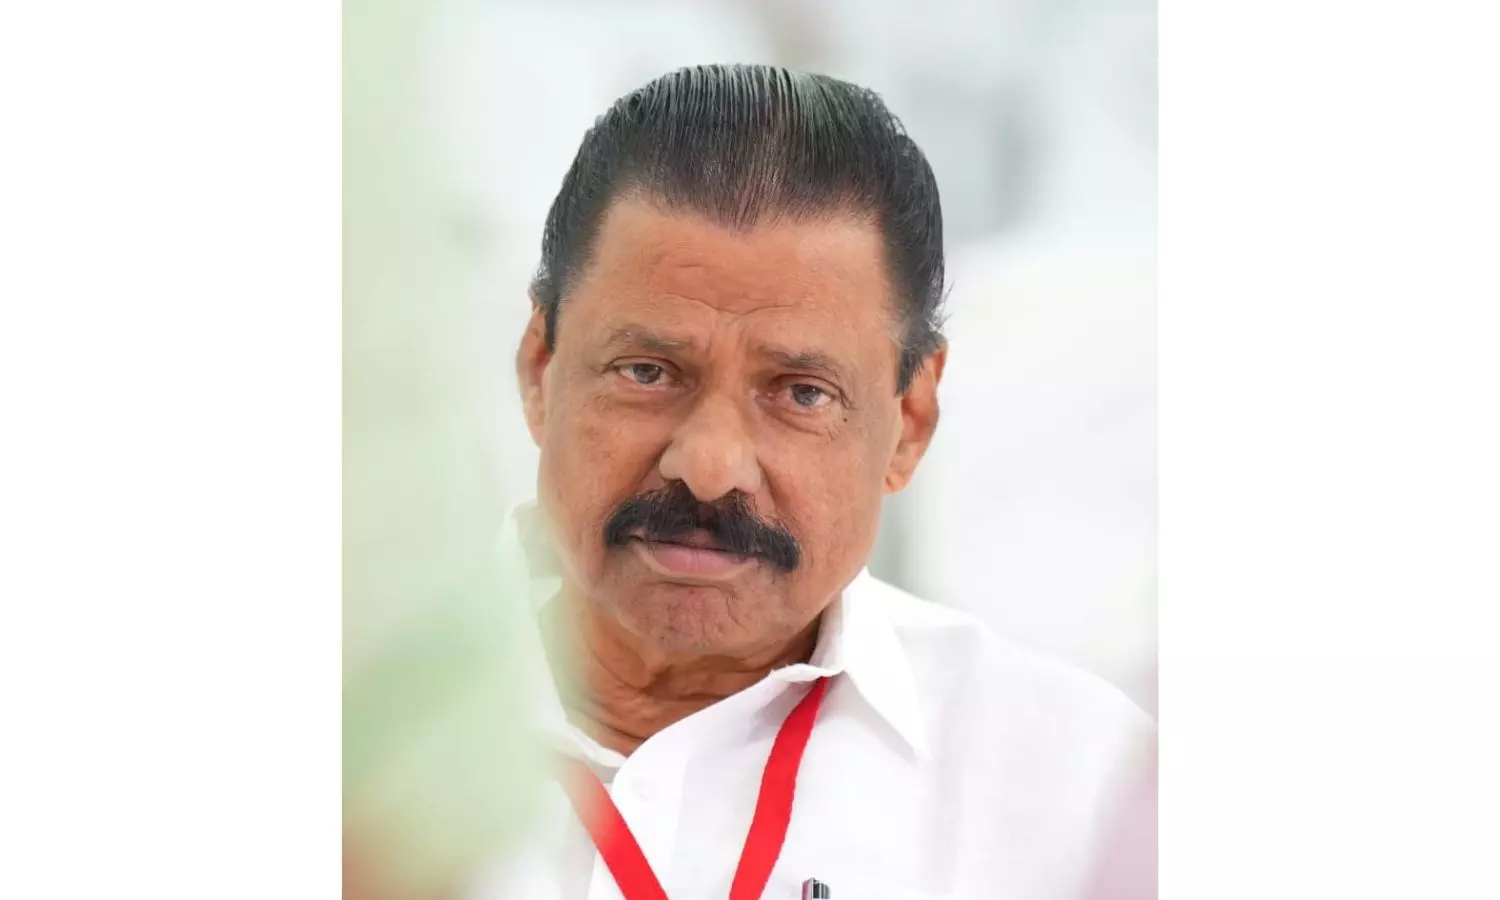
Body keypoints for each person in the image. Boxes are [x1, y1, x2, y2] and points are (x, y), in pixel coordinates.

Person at [476, 64, 1154, 900]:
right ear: (541, 368)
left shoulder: (1081, 796)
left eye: (800, 393)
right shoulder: (354, 723)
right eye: (647, 371)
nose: (709, 466)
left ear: (909, 421)